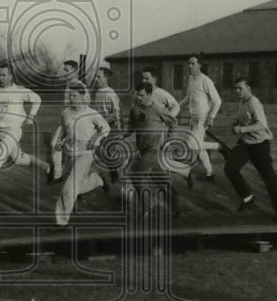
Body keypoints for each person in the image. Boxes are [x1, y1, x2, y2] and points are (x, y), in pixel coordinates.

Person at [0, 61, 49, 202]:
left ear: (11, 76)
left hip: (15, 130)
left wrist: (31, 115)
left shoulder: (19, 90)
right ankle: (46, 167)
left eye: (4, 75)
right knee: (18, 159)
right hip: (1, 132)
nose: (0, 78)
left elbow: (37, 99)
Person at [120, 81, 189, 220]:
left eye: (142, 95)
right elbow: (131, 128)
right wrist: (121, 135)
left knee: (137, 179)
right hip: (142, 151)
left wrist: (169, 138)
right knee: (161, 180)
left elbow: (173, 122)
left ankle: (148, 207)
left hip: (153, 151)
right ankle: (177, 201)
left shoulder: (157, 109)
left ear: (150, 95)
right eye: (137, 95)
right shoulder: (134, 109)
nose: (139, 98)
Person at [224, 77, 277, 221]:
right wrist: (236, 123)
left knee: (268, 178)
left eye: (240, 88)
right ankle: (248, 198)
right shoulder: (242, 102)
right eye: (236, 88)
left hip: (259, 145)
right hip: (245, 143)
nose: (237, 91)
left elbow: (262, 125)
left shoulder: (254, 102)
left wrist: (241, 129)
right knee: (230, 169)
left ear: (249, 88)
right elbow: (243, 119)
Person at [54, 80, 111, 225]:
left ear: (82, 96)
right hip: (69, 153)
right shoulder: (65, 113)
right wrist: (61, 141)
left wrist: (95, 138)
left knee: (69, 188)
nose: (71, 99)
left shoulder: (91, 113)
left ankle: (61, 222)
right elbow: (63, 130)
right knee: (74, 187)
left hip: (85, 154)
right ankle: (97, 180)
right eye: (69, 96)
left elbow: (105, 129)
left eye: (74, 96)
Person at [178, 55, 222, 180]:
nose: (189, 66)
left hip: (203, 118)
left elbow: (217, 101)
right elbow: (188, 98)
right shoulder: (191, 79)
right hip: (193, 118)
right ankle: (209, 172)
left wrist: (211, 117)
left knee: (192, 144)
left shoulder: (206, 80)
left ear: (200, 65)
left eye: (192, 63)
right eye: (189, 63)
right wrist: (177, 106)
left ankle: (218, 146)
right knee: (199, 147)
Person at [48, 59, 91, 184]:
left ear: (75, 71)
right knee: (54, 144)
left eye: (67, 70)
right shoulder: (69, 85)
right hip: (67, 120)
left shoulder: (79, 85)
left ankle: (82, 178)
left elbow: (87, 103)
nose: (64, 72)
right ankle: (58, 175)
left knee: (78, 151)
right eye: (64, 70)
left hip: (77, 121)